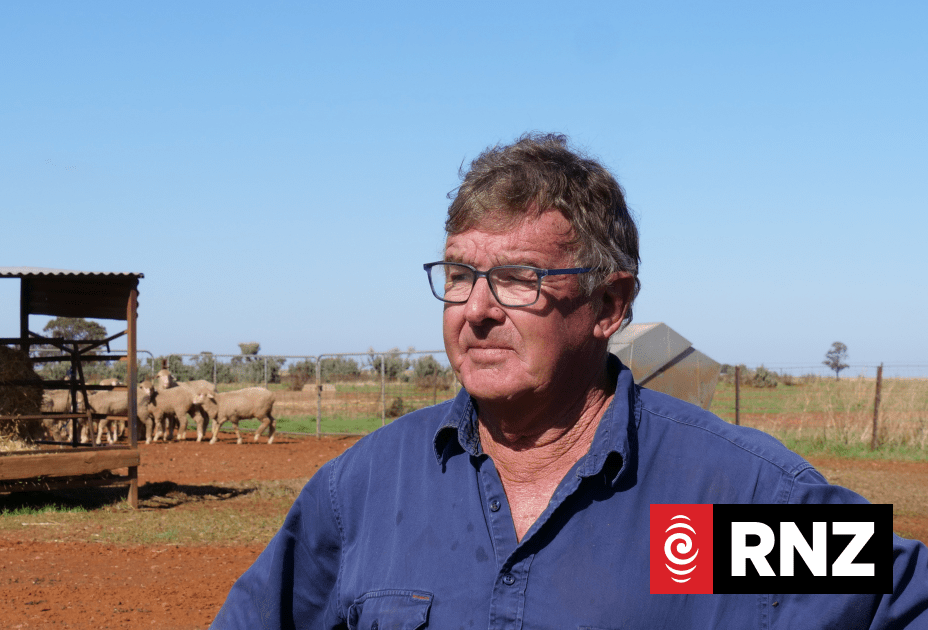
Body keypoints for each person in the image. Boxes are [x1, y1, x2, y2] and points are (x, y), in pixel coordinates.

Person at [210, 133, 927, 629]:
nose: (476, 310)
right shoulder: (368, 490)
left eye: (518, 278)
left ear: (608, 305)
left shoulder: (713, 505)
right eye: (459, 275)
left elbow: (902, 603)